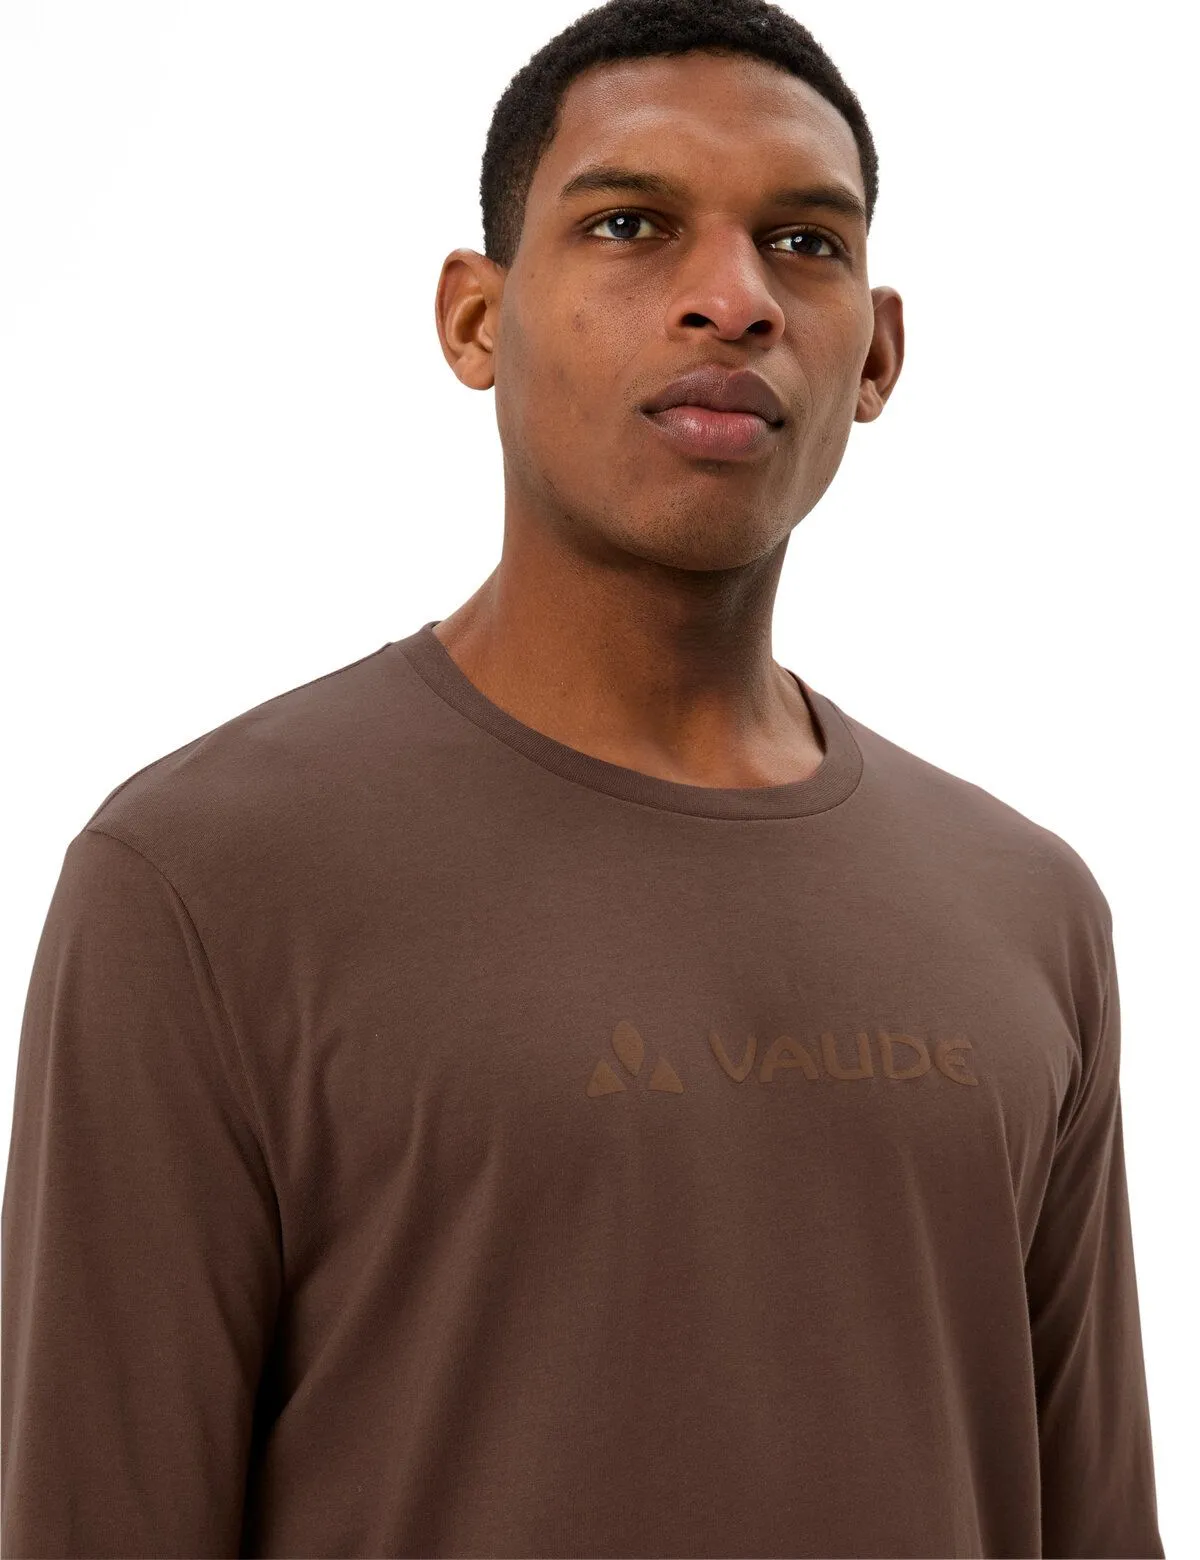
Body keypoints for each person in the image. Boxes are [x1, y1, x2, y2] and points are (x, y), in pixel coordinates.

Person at [1, 0, 1166, 1555]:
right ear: (478, 320)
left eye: (805, 244)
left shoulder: (1027, 907)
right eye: (631, 224)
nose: (733, 301)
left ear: (879, 353)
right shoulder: (201, 884)